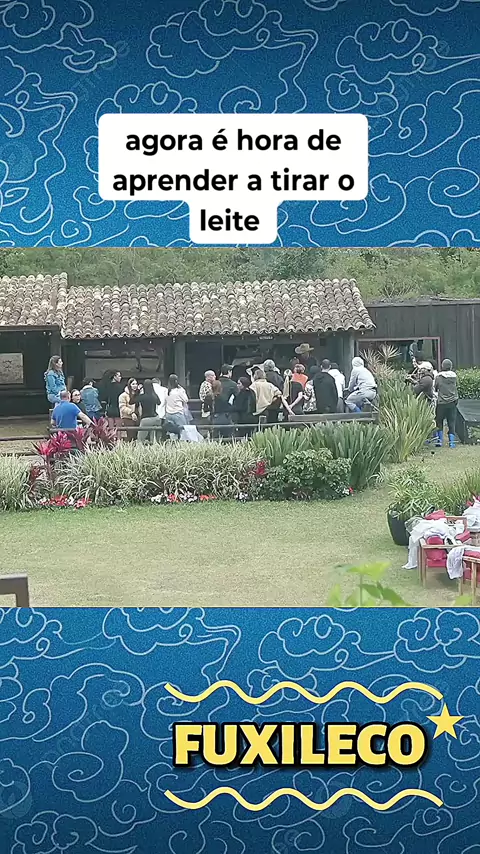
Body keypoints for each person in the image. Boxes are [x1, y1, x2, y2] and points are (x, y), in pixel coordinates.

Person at [434, 359, 459, 448]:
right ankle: (452, 443)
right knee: (451, 422)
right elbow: (456, 386)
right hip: (452, 402)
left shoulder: (439, 377)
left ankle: (439, 441)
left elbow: (435, 388)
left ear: (442, 366)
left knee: (439, 421)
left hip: (441, 402)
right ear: (451, 366)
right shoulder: (454, 377)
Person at [137, 379, 162, 443]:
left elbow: (131, 401)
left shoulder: (142, 396)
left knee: (140, 439)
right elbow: (159, 403)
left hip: (146, 419)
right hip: (156, 418)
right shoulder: (154, 395)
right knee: (154, 439)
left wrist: (138, 391)